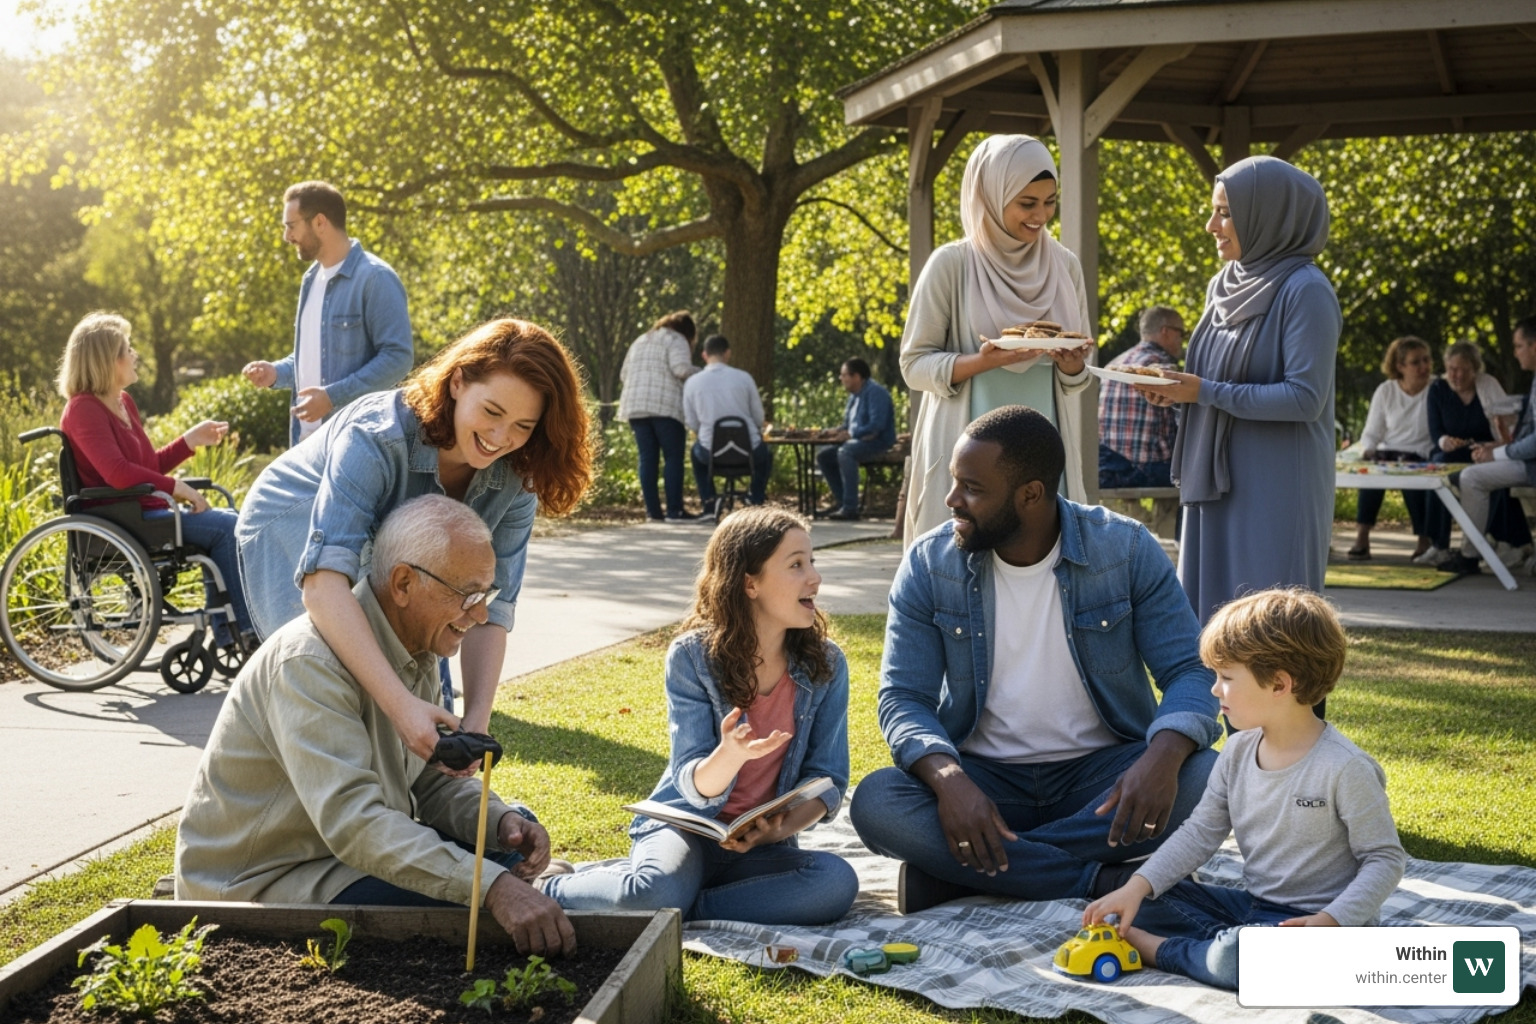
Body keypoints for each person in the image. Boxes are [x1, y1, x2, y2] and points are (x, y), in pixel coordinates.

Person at [849, 406, 1220, 913]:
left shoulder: (1127, 549)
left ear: (1030, 494)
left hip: (1101, 782)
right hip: (982, 780)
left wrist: (1162, 757)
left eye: (972, 488)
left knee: (1206, 776)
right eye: (956, 483)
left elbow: (1189, 670)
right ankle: (1099, 878)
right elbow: (903, 697)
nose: (952, 500)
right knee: (877, 803)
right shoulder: (928, 563)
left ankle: (974, 872)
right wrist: (949, 780)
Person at [177, 497, 577, 957]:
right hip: (266, 885)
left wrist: (499, 821)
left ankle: (535, 880)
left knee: (512, 839)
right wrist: (493, 888)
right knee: (489, 895)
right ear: (404, 582)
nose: (482, 615)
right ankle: (550, 893)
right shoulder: (308, 663)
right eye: (469, 596)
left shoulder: (417, 642)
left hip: (345, 861)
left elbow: (430, 778)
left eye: (486, 595)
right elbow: (355, 824)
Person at [236, 318, 594, 762]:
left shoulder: (517, 477)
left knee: (414, 664)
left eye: (523, 425)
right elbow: (324, 584)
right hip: (293, 514)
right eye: (493, 413)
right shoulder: (375, 436)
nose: (501, 438)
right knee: (328, 677)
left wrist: (474, 726)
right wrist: (402, 708)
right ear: (459, 382)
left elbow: (490, 608)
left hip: (391, 540)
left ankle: (405, 796)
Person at [542, 506, 858, 925]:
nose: (814, 577)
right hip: (686, 830)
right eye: (796, 565)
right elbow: (690, 780)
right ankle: (547, 886)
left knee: (834, 882)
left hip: (760, 847)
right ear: (750, 583)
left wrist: (778, 831)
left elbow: (828, 779)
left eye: (812, 562)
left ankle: (680, 907)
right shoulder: (693, 657)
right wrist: (730, 754)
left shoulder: (827, 665)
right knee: (652, 891)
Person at [1084, 588, 1406, 991]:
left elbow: (1385, 859)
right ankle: (1221, 946)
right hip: (1251, 910)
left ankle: (1161, 950)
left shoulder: (1345, 768)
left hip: (1324, 928)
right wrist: (1136, 888)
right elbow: (1200, 833)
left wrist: (1331, 921)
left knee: (1240, 958)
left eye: (1226, 678)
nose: (1215, 690)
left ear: (1279, 685)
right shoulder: (1236, 751)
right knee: (1135, 894)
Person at [1137, 156, 1342, 625]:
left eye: (1226, 212)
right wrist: (1175, 392)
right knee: (1213, 620)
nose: (1211, 225)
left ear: (1269, 215)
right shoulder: (1223, 284)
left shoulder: (1305, 290)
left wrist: (1204, 393)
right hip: (1214, 477)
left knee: (1272, 627)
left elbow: (1305, 399)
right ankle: (1215, 702)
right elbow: (1212, 379)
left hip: (1275, 483)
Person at [899, 134, 1095, 545]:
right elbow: (914, 364)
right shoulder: (951, 264)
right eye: (1027, 203)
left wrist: (1073, 365)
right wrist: (984, 361)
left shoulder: (1065, 266)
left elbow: (1077, 380)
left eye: (1049, 201)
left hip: (1041, 444)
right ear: (990, 194)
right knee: (962, 568)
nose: (1041, 215)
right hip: (964, 444)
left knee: (1041, 560)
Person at [56, 312, 254, 651]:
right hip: (123, 519)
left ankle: (230, 632)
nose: (134, 356)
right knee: (226, 528)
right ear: (107, 361)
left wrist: (188, 441)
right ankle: (246, 632)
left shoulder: (123, 402)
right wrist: (176, 487)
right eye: (127, 350)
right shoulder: (83, 409)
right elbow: (119, 474)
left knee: (228, 527)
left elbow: (148, 467)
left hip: (145, 509)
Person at [242, 181, 414, 447]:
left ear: (320, 222)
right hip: (305, 445)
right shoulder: (310, 280)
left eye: (291, 226)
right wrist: (275, 372)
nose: (287, 237)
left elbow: (398, 358)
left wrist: (332, 397)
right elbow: (316, 356)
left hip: (355, 445)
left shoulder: (376, 278)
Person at [1421, 339, 1532, 570]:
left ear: (1475, 370)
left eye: (1463, 369)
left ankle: (1497, 546)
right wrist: (1446, 442)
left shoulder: (1487, 385)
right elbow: (1435, 432)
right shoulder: (1438, 389)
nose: (1457, 375)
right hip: (1453, 452)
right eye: (1452, 369)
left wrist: (1497, 448)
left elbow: (1508, 428)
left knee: (1483, 474)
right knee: (1437, 467)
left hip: (1488, 448)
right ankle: (1440, 544)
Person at [1346, 336, 1434, 561]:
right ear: (1400, 366)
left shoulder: (1437, 388)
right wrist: (1367, 451)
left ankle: (1424, 539)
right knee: (1372, 475)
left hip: (1423, 452)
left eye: (1426, 360)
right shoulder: (1386, 391)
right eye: (1416, 362)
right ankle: (1362, 537)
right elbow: (1372, 431)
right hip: (1390, 452)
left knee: (1414, 475)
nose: (1424, 367)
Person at [618, 310, 701, 521]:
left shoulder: (641, 339)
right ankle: (675, 510)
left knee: (647, 459)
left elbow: (623, 374)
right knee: (673, 457)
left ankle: (653, 512)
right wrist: (703, 373)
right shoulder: (677, 339)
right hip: (665, 406)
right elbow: (681, 369)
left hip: (636, 406)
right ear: (688, 331)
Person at [683, 334, 773, 516]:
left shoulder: (692, 383)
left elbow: (691, 421)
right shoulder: (744, 378)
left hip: (711, 453)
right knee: (766, 455)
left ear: (704, 355)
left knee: (695, 453)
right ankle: (756, 498)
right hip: (748, 452)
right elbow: (758, 416)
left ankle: (709, 502)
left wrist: (706, 434)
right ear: (728, 353)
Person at [1098, 306, 1186, 489]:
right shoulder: (1163, 367)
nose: (1182, 341)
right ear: (1166, 332)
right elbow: (1184, 423)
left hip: (1107, 470)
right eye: (1182, 334)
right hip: (1149, 472)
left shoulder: (1114, 364)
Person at [815, 358, 898, 521]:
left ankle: (850, 508)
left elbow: (877, 425)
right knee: (824, 456)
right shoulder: (854, 397)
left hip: (878, 443)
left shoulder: (876, 393)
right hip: (859, 441)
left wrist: (852, 435)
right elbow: (847, 425)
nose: (841, 379)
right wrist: (831, 432)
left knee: (846, 452)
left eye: (844, 375)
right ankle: (842, 502)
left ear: (857, 376)